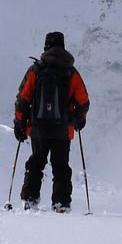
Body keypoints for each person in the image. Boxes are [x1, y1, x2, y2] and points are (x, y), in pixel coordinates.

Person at [12, 31, 90, 212]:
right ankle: (61, 204)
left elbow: (23, 99)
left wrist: (19, 123)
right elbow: (83, 101)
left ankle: (29, 201)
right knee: (61, 166)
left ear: (46, 46)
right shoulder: (71, 72)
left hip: (38, 128)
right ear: (63, 46)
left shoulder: (36, 70)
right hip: (63, 129)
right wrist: (79, 119)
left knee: (36, 163)